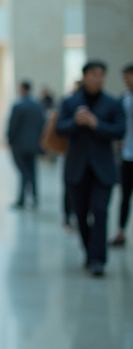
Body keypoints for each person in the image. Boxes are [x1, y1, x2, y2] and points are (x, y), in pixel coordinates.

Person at [56, 60, 127, 276]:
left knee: (100, 212)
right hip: (77, 168)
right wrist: (76, 122)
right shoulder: (69, 102)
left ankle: (99, 259)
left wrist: (96, 124)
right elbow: (60, 129)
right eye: (94, 74)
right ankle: (89, 251)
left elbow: (120, 130)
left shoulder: (113, 103)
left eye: (101, 75)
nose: (98, 79)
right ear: (85, 76)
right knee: (81, 214)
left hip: (102, 169)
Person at [6, 80, 45, 209]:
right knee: (32, 171)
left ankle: (22, 199)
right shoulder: (38, 105)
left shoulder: (18, 105)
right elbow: (42, 125)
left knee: (24, 172)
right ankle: (34, 197)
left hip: (20, 145)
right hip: (34, 144)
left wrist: (9, 140)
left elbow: (13, 126)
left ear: (22, 88)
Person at [111, 64, 133, 247]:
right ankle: (121, 232)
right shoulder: (124, 99)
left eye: (128, 76)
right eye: (124, 77)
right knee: (125, 195)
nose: (126, 80)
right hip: (127, 155)